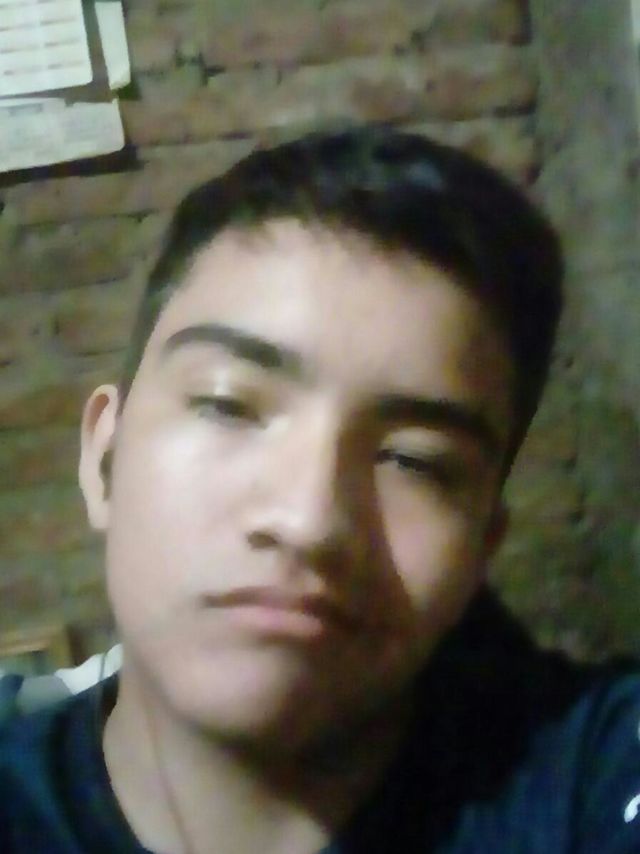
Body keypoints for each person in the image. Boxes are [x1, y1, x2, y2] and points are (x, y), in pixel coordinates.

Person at [1, 128, 639, 853]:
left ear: (483, 545)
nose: (309, 520)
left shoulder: (592, 776)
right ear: (103, 457)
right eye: (228, 405)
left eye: (416, 461)